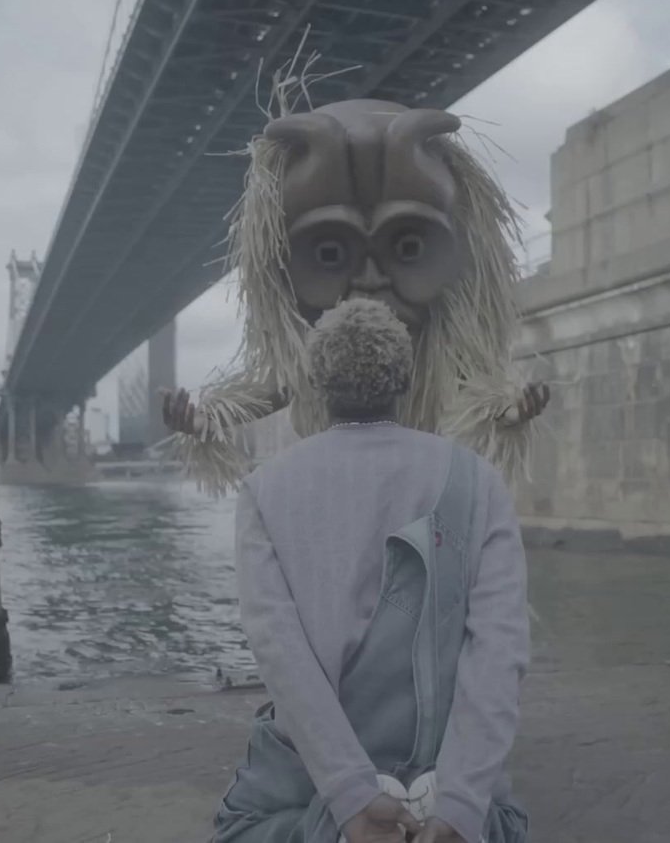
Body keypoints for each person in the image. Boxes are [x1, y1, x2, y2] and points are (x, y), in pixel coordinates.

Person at [204, 298, 531, 843]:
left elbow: (281, 654)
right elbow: (499, 652)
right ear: (404, 378)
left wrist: (350, 793)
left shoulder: (265, 490)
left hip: (312, 785)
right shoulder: (478, 481)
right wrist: (460, 804)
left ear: (318, 382)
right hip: (445, 781)